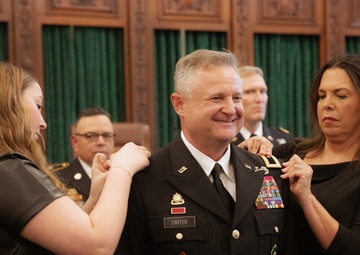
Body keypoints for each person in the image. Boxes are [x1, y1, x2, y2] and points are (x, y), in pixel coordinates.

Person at [115, 49, 288, 255]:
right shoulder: (143, 180)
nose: (231, 109)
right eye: (217, 98)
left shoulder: (268, 173)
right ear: (180, 104)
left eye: (237, 97)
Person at [0, 62, 151, 254]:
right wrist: (122, 169)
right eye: (38, 106)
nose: (43, 123)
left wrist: (95, 195)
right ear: (10, 104)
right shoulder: (10, 170)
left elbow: (65, 238)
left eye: (107, 135)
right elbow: (97, 247)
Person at [269, 54, 360, 254]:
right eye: (321, 95)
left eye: (341, 95)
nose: (327, 104)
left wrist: (306, 197)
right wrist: (250, 151)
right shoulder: (290, 152)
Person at [57, 107, 115, 205]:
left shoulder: (127, 176)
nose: (101, 142)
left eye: (107, 136)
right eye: (90, 136)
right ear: (75, 142)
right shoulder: (58, 179)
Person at [232, 65, 292, 146]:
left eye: (262, 91)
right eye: (249, 92)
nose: (259, 99)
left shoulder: (283, 140)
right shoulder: (225, 143)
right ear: (235, 98)